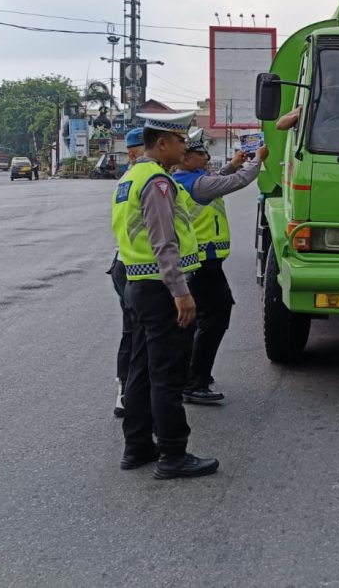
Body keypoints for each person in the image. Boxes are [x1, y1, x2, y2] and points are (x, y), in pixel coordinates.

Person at [110, 110, 219, 480]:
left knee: (140, 371)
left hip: (137, 285)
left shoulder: (130, 177)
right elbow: (164, 242)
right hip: (160, 288)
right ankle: (173, 453)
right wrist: (181, 292)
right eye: (180, 142)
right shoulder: (157, 181)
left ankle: (137, 446)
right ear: (162, 144)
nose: (184, 148)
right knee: (167, 373)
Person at [172, 130, 268, 404]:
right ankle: (194, 382)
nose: (206, 157)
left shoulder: (189, 179)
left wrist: (235, 162)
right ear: (186, 158)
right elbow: (235, 182)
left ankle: (192, 373)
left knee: (202, 318)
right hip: (203, 263)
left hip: (200, 262)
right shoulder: (196, 184)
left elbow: (219, 178)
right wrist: (256, 161)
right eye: (201, 154)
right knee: (214, 318)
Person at [107, 127, 147, 417]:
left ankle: (132, 389)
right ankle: (126, 390)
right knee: (134, 330)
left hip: (129, 264)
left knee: (136, 330)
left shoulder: (134, 179)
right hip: (133, 266)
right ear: (133, 153)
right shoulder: (139, 180)